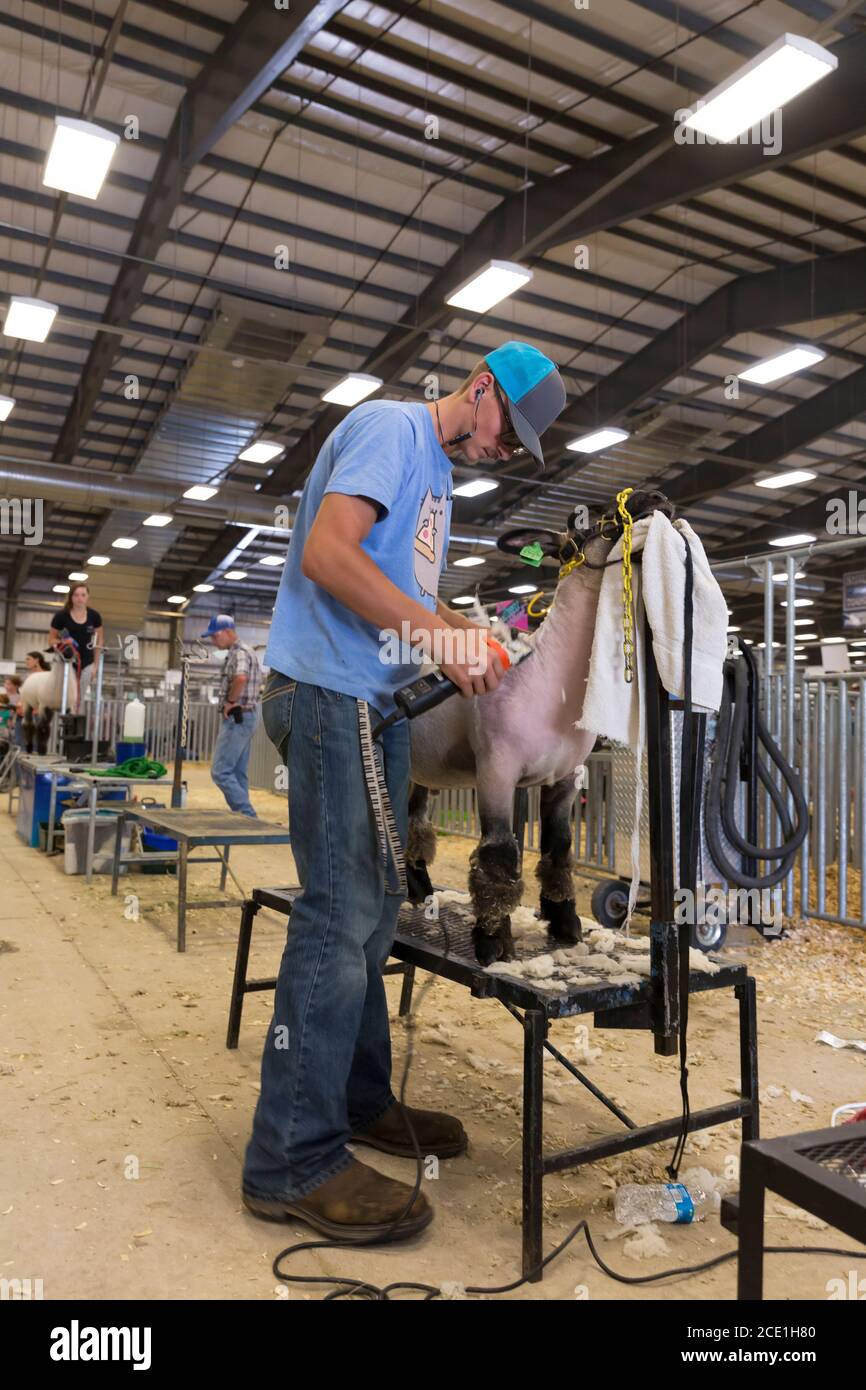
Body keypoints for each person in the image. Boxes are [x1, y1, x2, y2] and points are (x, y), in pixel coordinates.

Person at [242, 340, 568, 1243]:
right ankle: (289, 1160)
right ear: (483, 388)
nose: (507, 453)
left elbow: (394, 593)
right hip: (325, 694)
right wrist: (437, 632)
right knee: (339, 913)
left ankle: (357, 1102)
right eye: (512, 434)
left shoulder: (439, 482)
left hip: (372, 707)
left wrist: (469, 632)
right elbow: (329, 556)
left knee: (379, 908)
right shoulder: (393, 429)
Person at [202, 615, 262, 817]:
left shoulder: (240, 653)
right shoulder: (247, 651)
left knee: (221, 772)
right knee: (237, 771)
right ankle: (244, 819)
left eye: (214, 636)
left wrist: (230, 701)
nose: (213, 641)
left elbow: (241, 677)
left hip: (238, 717)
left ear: (226, 632)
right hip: (247, 716)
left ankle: (248, 814)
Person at [48, 584, 103, 703]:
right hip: (66, 661)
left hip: (87, 662)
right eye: (76, 595)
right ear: (71, 597)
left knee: (78, 698)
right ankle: (61, 718)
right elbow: (51, 640)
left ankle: (74, 718)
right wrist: (62, 641)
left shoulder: (95, 616)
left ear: (88, 597)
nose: (80, 598)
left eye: (83, 595)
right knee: (65, 697)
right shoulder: (61, 616)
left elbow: (99, 642)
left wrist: (96, 666)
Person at [3, 674, 25, 747]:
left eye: (9, 684)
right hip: (3, 726)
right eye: (5, 683)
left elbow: (22, 712)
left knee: (15, 745)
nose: (6, 686)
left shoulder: (21, 698)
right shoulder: (2, 696)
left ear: (16, 686)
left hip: (15, 726)